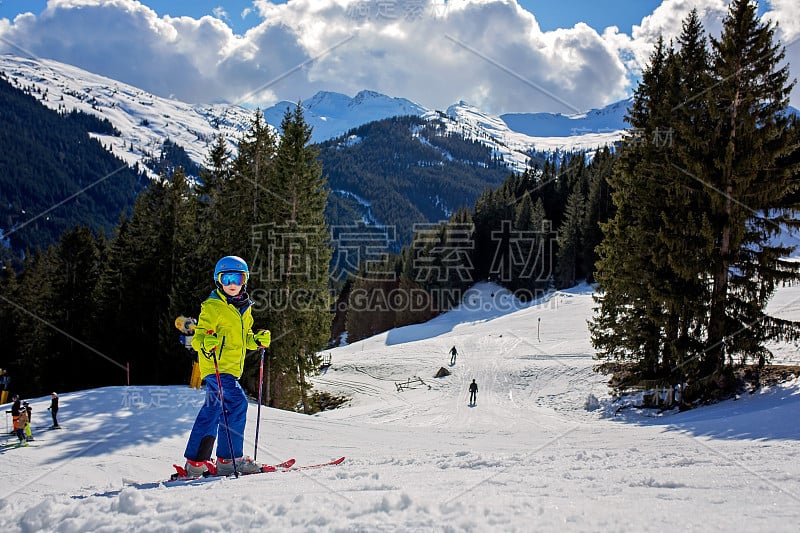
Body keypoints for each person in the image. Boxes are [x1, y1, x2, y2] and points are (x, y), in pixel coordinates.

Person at [183, 256, 271, 477]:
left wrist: (257, 340)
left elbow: (245, 339)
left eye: (238, 277)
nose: (232, 283)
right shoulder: (212, 307)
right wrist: (205, 342)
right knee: (237, 403)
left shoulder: (244, 309)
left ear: (245, 280)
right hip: (216, 367)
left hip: (230, 369)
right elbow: (198, 337)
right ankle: (229, 461)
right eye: (226, 278)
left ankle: (195, 463)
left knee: (213, 410)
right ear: (218, 281)